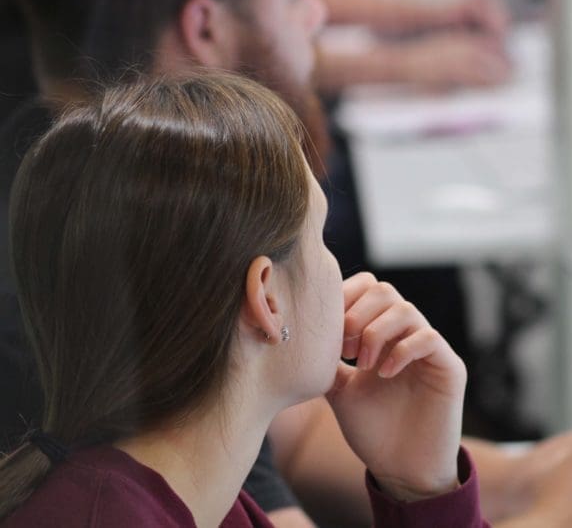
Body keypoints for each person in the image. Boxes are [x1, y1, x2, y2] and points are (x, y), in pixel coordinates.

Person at [2, 0, 572, 527]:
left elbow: (301, 434)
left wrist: (515, 474)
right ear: (203, 29)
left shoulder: (103, 186)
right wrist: (569, 515)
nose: (318, 19)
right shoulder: (87, 287)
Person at [0, 73, 485, 527]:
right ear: (267, 299)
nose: (343, 271)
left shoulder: (196, 500)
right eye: (320, 237)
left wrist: (421, 485)